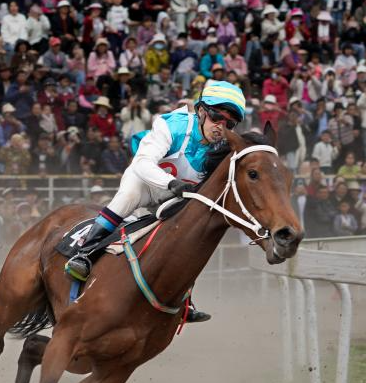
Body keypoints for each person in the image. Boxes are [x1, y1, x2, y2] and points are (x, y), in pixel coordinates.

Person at [63, 80, 247, 308]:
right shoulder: (173, 124)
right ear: (200, 111)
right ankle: (84, 253)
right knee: (127, 197)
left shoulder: (224, 149)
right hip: (145, 182)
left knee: (190, 232)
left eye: (230, 123)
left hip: (175, 197)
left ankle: (184, 293)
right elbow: (142, 162)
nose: (221, 127)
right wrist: (171, 183)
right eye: (216, 117)